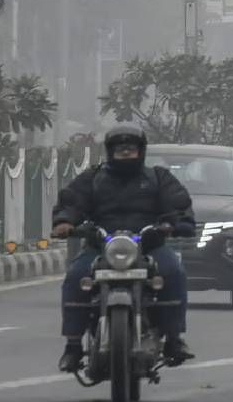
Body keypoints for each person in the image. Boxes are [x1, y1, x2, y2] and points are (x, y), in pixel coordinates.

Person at [50, 124, 197, 372]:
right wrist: (64, 222)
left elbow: (177, 203)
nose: (126, 153)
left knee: (173, 272)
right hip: (102, 247)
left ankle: (174, 339)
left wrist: (178, 223)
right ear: (111, 152)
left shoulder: (158, 178)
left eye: (131, 149)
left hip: (149, 246)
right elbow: (72, 202)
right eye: (120, 149)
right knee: (76, 276)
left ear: (141, 151)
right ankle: (73, 346)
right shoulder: (93, 178)